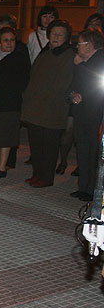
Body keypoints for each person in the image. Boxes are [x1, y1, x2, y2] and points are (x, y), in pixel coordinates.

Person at [21, 19, 74, 187]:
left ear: (66, 37)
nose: (56, 37)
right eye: (53, 34)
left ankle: (46, 177)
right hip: (35, 109)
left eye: (60, 34)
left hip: (52, 110)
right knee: (36, 146)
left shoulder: (68, 56)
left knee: (49, 148)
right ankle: (37, 173)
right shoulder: (45, 52)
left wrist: (44, 98)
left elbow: (63, 84)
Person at [0, 27, 30, 179]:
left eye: (12, 40)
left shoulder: (19, 58)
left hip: (10, 103)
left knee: (6, 136)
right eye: (6, 40)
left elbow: (21, 82)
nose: (9, 43)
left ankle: (2, 167)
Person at [67, 29, 104, 202]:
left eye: (79, 44)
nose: (76, 47)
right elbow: (73, 84)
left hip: (96, 115)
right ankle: (84, 187)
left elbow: (99, 88)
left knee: (94, 153)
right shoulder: (84, 63)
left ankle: (92, 189)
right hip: (82, 114)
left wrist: (84, 96)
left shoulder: (100, 61)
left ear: (89, 46)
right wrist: (73, 94)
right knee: (82, 150)